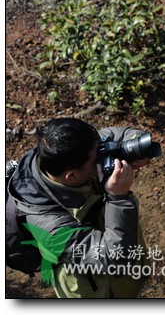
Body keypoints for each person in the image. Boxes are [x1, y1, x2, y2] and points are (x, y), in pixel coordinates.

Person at [7, 117, 150, 298]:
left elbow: (120, 133)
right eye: (96, 158)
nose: (103, 155)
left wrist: (136, 151)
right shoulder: (49, 225)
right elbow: (115, 257)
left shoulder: (73, 151)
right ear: (71, 176)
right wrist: (119, 198)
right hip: (92, 289)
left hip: (123, 274)